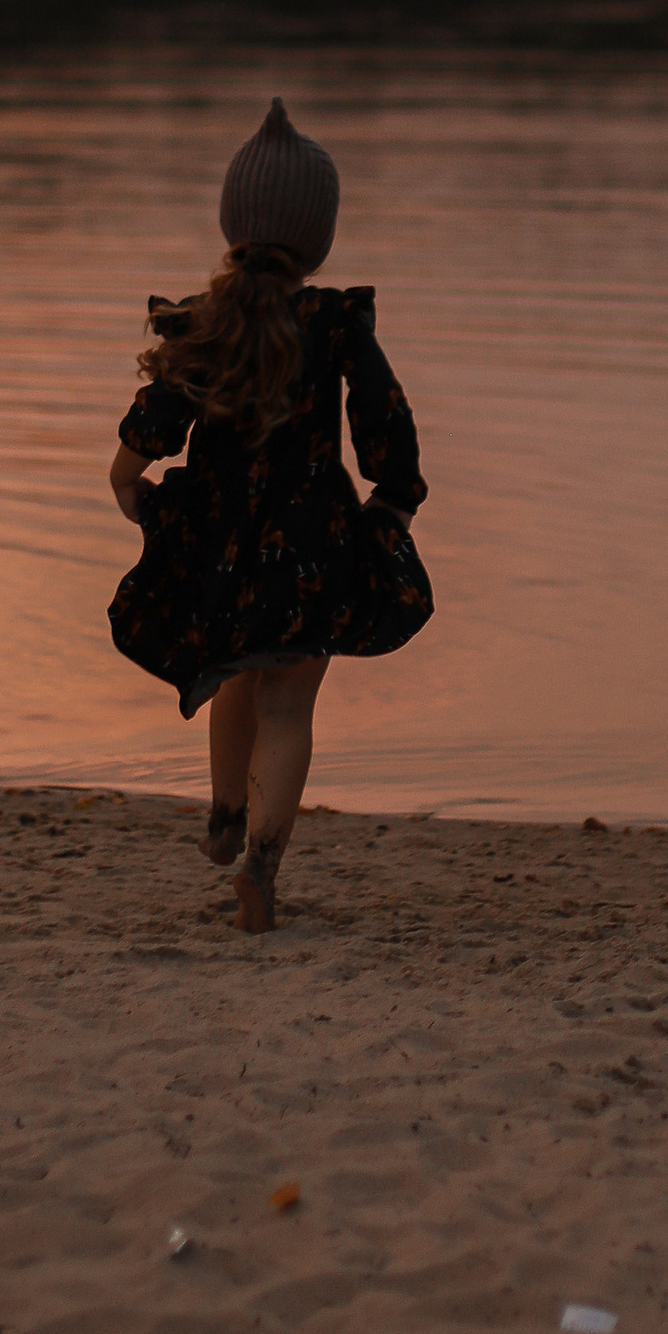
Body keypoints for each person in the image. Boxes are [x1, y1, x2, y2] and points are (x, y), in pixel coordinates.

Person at [107, 99, 433, 934]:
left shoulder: (205, 320)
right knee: (289, 702)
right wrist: (393, 498)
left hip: (218, 544)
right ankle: (260, 861)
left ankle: (222, 817)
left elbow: (155, 419)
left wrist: (128, 484)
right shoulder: (331, 322)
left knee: (231, 673)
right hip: (312, 545)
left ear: (231, 225)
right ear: (316, 238)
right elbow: (383, 416)